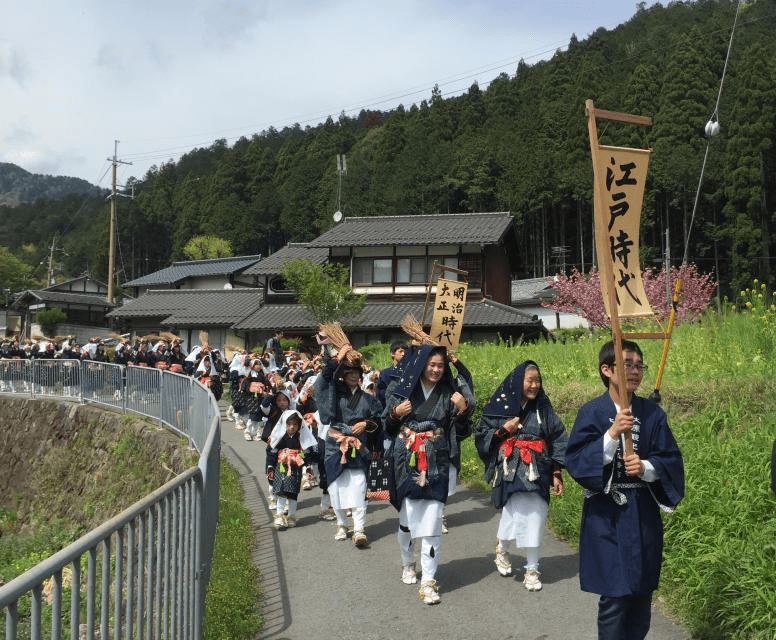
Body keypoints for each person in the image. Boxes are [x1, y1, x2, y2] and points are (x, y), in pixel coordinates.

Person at [565, 340, 684, 640]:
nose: (634, 371)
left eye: (639, 365)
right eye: (627, 364)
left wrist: (645, 467)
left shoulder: (652, 414)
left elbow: (670, 459)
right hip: (606, 514)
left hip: (642, 511)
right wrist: (611, 434)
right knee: (615, 596)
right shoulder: (591, 412)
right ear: (607, 369)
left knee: (642, 593)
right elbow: (576, 460)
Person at [382, 344, 474, 605]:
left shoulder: (449, 392)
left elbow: (463, 430)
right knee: (407, 515)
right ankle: (408, 563)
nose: (436, 369)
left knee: (433, 519)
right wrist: (394, 414)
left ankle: (429, 581)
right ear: (421, 364)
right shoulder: (400, 389)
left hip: (437, 459)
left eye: (440, 366)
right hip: (405, 457)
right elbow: (386, 427)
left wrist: (464, 409)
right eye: (431, 364)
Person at [475, 360, 567, 591]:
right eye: (530, 380)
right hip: (511, 468)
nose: (535, 385)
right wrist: (503, 431)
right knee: (513, 513)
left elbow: (557, 437)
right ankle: (502, 548)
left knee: (536, 516)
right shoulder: (500, 406)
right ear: (519, 382)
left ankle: (532, 568)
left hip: (539, 469)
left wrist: (557, 471)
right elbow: (482, 433)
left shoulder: (544, 409)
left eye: (538, 380)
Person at [314, 345, 383, 546]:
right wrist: (337, 359)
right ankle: (342, 523)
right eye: (349, 372)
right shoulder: (334, 393)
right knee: (335, 486)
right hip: (336, 444)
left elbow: (380, 420)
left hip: (360, 446)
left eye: (357, 372)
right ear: (343, 375)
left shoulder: (369, 399)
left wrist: (366, 424)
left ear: (361, 376)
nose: (353, 375)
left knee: (359, 485)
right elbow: (322, 382)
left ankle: (359, 528)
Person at [266, 409, 319, 529]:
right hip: (282, 467)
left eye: (295, 424)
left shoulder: (302, 437)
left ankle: (291, 516)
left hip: (296, 468)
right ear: (285, 423)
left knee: (293, 493)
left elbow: (307, 454)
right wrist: (270, 467)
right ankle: (279, 515)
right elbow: (272, 451)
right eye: (289, 424)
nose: (292, 427)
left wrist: (308, 468)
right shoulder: (279, 437)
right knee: (281, 491)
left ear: (300, 425)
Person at [376, 340, 408, 407]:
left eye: (405, 352)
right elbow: (380, 395)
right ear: (392, 353)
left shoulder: (410, 372)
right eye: (400, 351)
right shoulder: (385, 373)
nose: (403, 354)